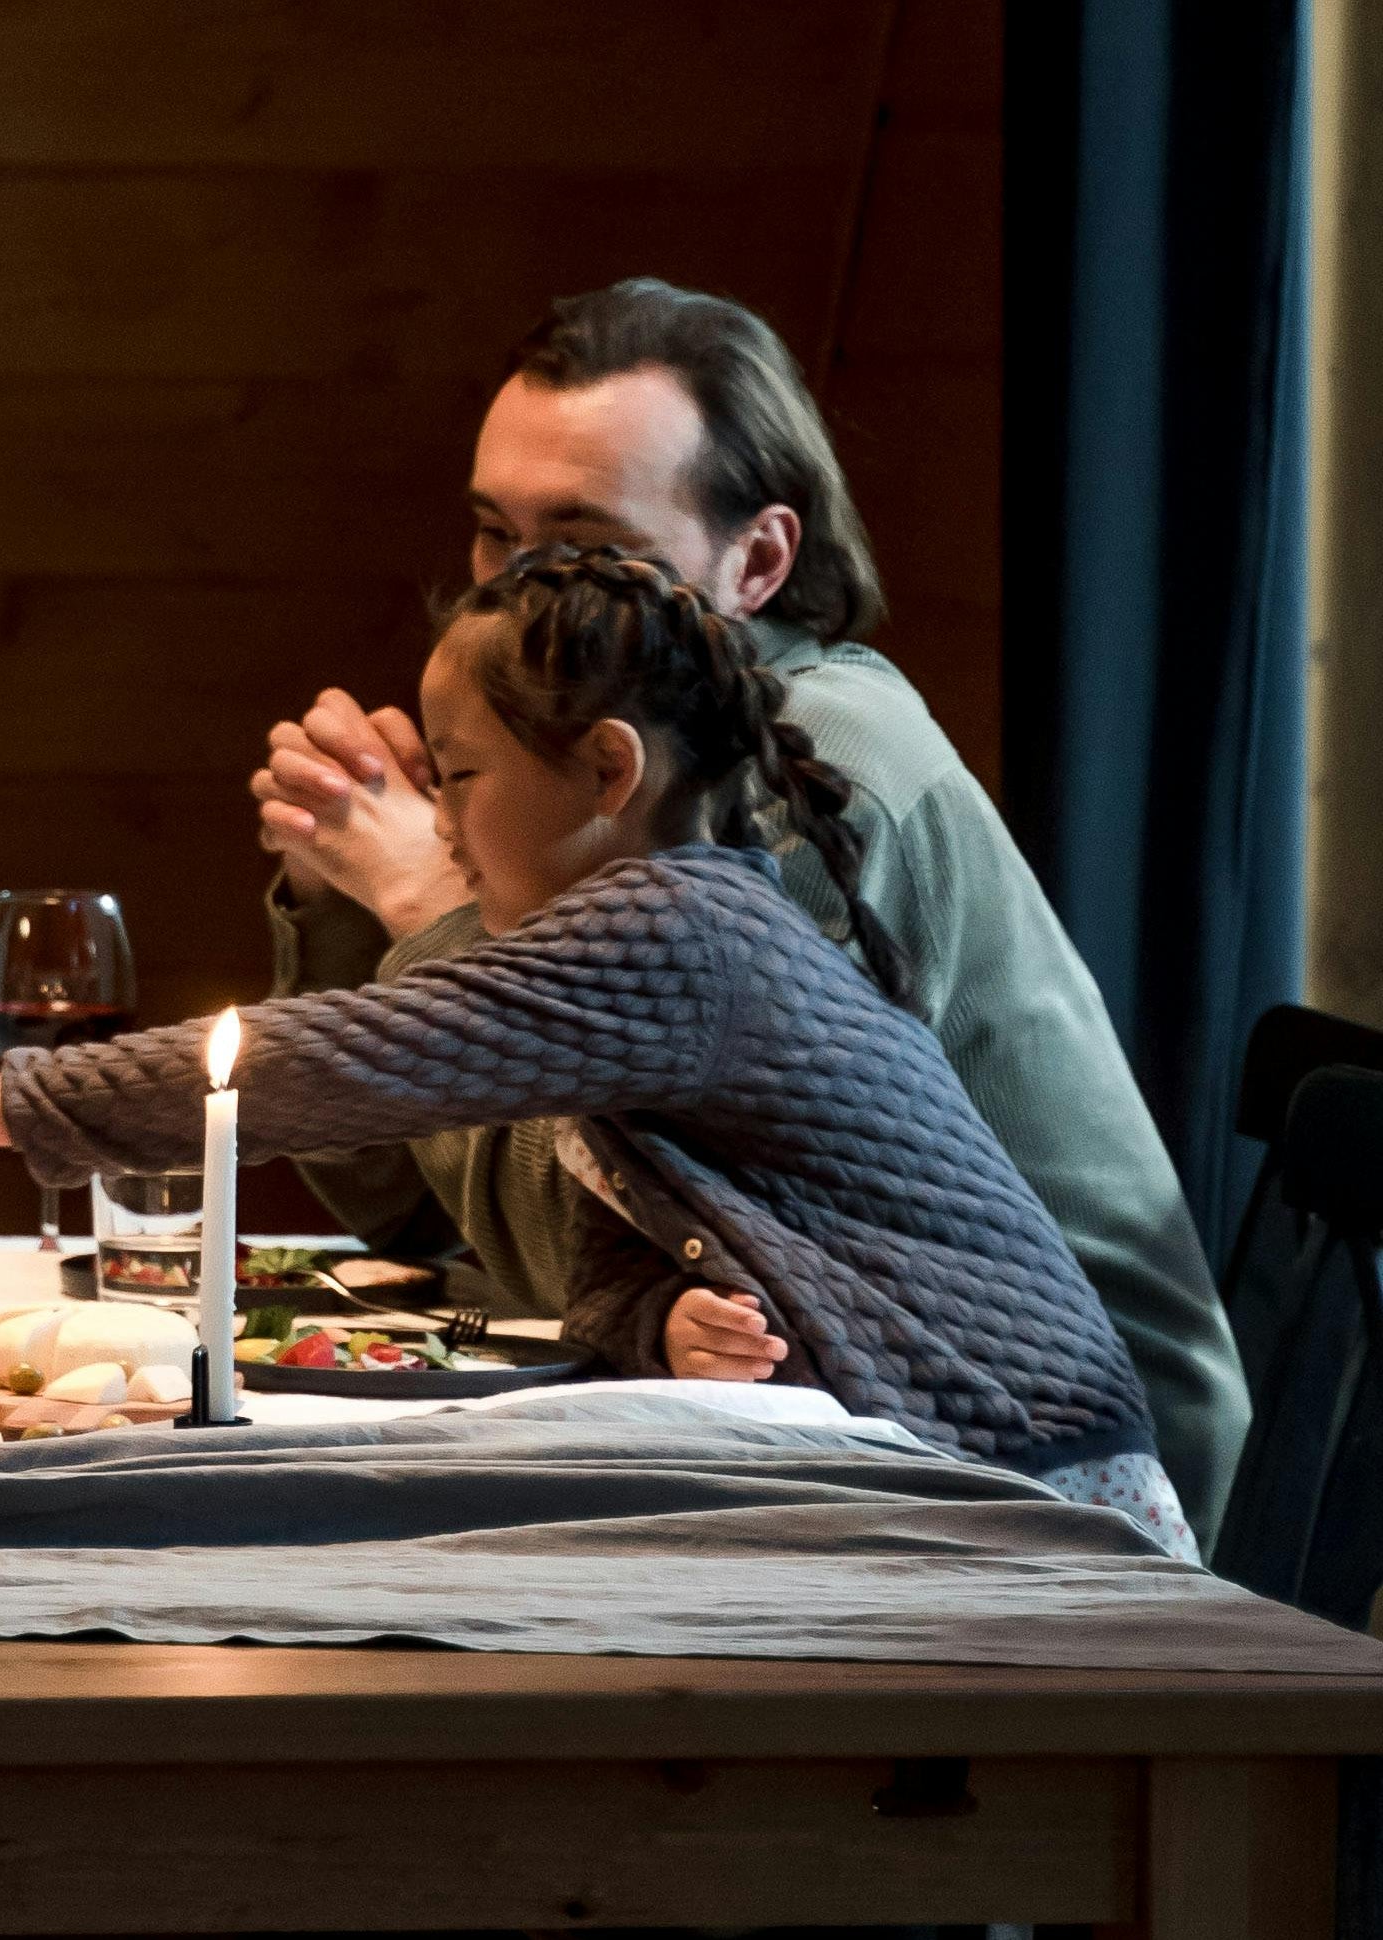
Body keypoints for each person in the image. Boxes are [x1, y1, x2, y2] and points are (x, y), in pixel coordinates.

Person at [0, 547, 1197, 1557]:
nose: (440, 820)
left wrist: (21, 1103)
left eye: (462, 778)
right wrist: (662, 1319)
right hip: (954, 1467)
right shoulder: (651, 955)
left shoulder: (677, 927)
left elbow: (353, 1056)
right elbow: (623, 1250)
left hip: (1031, 1491)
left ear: (607, 774)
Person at [253, 279, 1243, 1539]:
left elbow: (636, 1246)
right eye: (493, 536)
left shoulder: (801, 772)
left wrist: (419, 899)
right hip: (799, 1427)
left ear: (758, 559)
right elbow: (405, 1208)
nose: (512, 590)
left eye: (579, 539)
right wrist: (343, 887)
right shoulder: (579, 754)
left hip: (1038, 1482)